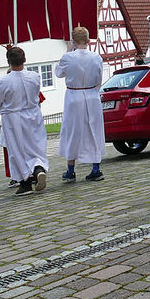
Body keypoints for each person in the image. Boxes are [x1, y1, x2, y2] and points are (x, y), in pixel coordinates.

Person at [0, 47, 48, 196]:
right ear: (24, 59)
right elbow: (36, 94)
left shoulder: (4, 81)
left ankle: (25, 181)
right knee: (35, 145)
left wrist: (6, 111)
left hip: (13, 116)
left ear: (8, 61)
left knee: (17, 149)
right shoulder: (34, 76)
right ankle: (38, 169)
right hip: (33, 114)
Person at [55, 26, 105, 182]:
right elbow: (99, 79)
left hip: (74, 96)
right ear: (88, 40)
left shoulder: (68, 58)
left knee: (73, 131)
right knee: (94, 130)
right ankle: (95, 168)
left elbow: (58, 73)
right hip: (91, 95)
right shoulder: (96, 57)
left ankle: (71, 169)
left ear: (73, 41)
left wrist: (68, 52)